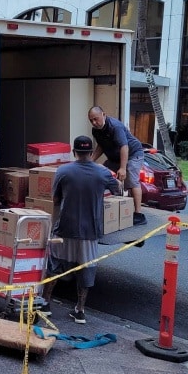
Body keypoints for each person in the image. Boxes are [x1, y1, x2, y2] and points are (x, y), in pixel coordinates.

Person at [41, 135, 121, 324]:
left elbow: (55, 200)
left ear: (74, 152)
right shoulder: (102, 173)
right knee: (85, 270)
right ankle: (80, 310)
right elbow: (119, 190)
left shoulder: (63, 171)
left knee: (54, 267)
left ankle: (45, 304)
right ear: (92, 153)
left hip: (65, 228)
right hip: (90, 232)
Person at [88, 105, 147, 226]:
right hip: (114, 157)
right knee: (102, 175)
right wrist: (90, 160)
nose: (94, 122)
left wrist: (123, 168)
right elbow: (101, 146)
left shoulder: (115, 127)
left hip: (132, 154)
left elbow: (124, 146)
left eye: (96, 118)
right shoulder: (95, 130)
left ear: (104, 115)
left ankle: (139, 214)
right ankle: (114, 206)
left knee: (131, 180)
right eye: (91, 120)